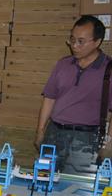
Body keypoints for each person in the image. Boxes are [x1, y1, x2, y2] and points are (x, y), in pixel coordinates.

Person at [35, 15, 111, 174]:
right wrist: (40, 131)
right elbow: (49, 98)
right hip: (53, 134)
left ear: (97, 42)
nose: (75, 46)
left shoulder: (108, 70)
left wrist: (108, 144)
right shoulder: (63, 64)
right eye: (72, 39)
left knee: (77, 184)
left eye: (81, 41)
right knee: (44, 177)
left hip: (86, 140)